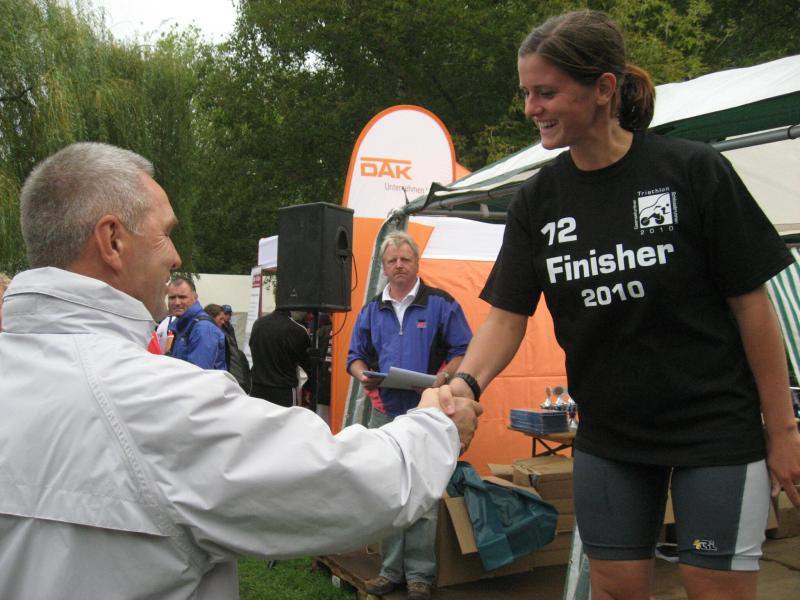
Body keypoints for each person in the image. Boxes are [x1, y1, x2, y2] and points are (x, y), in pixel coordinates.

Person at [0, 141, 482, 599]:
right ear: (112, 241)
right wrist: (437, 426)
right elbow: (351, 486)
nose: (175, 256)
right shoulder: (155, 402)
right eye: (165, 232)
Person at [435, 10, 800, 600]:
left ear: (604, 88)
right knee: (616, 589)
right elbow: (506, 317)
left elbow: (753, 309)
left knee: (714, 588)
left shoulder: (691, 171)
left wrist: (782, 431)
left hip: (715, 433)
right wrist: (466, 384)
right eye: (527, 93)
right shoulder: (538, 200)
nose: (531, 108)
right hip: (610, 439)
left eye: (546, 92)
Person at [347, 230, 473, 600]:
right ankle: (390, 571)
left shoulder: (441, 304)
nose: (399, 265)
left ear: (417, 263)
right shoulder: (372, 310)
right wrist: (363, 376)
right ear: (384, 267)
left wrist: (443, 378)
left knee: (424, 493)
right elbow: (355, 357)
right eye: (392, 261)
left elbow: (463, 349)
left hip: (428, 412)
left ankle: (419, 575)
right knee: (388, 491)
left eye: (405, 259)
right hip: (384, 411)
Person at [249, 300, 313, 407]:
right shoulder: (297, 329)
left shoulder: (258, 323)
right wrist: (310, 387)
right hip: (283, 390)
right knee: (287, 418)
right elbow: (307, 364)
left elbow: (253, 349)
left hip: (258, 387)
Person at [167, 276, 227, 370]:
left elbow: (199, 374)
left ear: (195, 298)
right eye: (172, 297)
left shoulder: (203, 328)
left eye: (182, 297)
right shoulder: (182, 324)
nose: (177, 302)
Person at [207, 302, 252, 392]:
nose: (226, 318)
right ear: (211, 317)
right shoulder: (214, 332)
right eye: (222, 317)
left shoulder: (227, 328)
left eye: (229, 314)